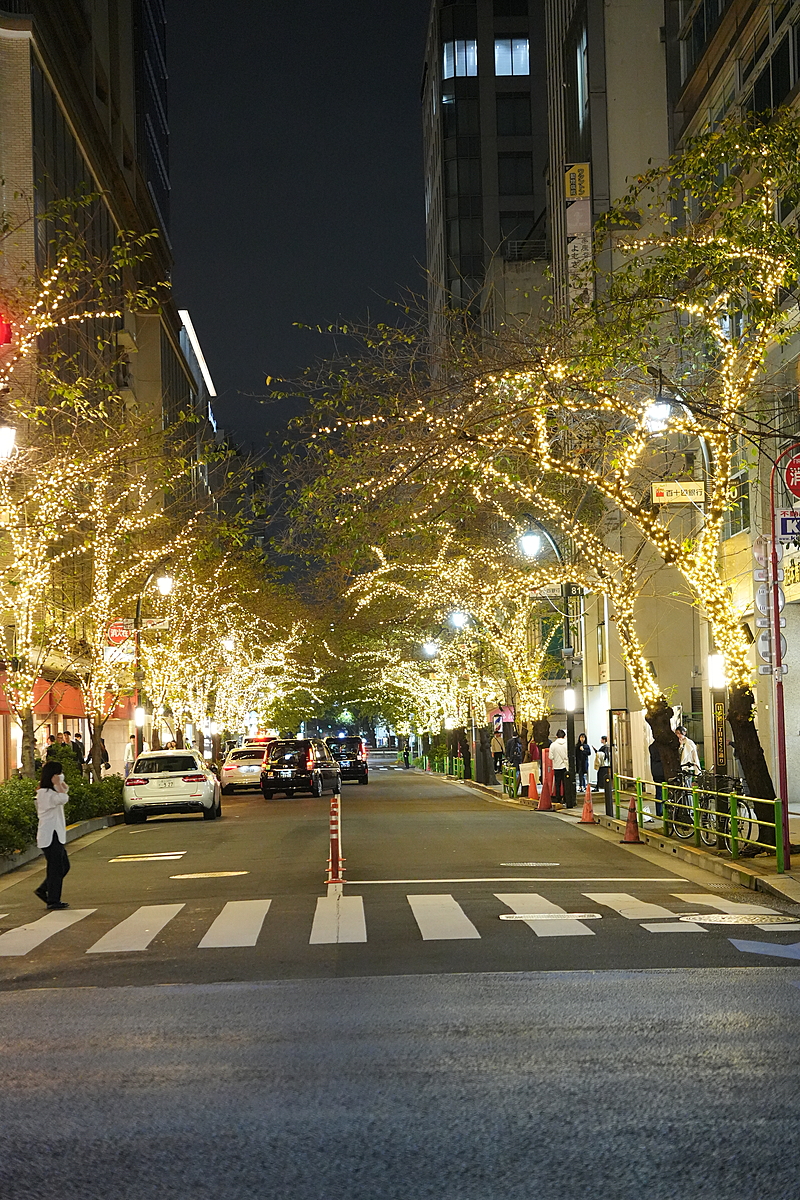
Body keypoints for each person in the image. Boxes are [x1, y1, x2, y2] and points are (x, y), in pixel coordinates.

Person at [33, 760, 70, 910]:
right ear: (52, 776)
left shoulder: (51, 791)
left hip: (56, 834)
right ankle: (53, 900)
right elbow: (63, 798)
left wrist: (59, 783)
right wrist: (58, 784)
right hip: (50, 836)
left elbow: (65, 790)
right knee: (55, 868)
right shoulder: (43, 793)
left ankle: (44, 889)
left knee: (64, 866)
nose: (61, 776)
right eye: (58, 773)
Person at [549, 729, 570, 806]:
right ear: (564, 736)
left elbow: (550, 756)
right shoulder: (567, 744)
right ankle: (565, 798)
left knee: (557, 784)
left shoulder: (553, 745)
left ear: (556, 736)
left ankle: (558, 798)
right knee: (565, 783)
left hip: (557, 766)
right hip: (565, 766)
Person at [648, 739, 666, 818]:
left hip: (655, 772)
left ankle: (659, 811)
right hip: (663, 771)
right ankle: (663, 811)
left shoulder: (652, 747)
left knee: (659, 792)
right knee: (665, 792)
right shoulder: (663, 748)